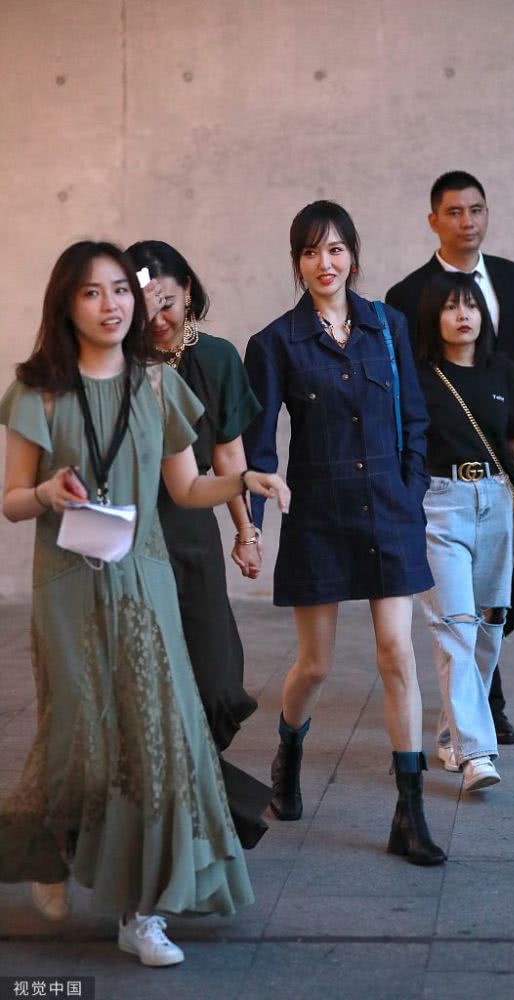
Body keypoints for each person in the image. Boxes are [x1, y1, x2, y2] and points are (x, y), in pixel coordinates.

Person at [0, 241, 289, 967]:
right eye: (93, 292)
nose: (113, 304)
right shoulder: (37, 392)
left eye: (121, 290)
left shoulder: (159, 387)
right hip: (68, 586)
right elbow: (11, 500)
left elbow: (187, 489)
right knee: (77, 734)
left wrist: (243, 483)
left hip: (145, 582)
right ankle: (50, 850)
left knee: (155, 740)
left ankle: (142, 913)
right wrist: (46, 492)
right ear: (66, 305)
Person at [243, 201, 444, 866]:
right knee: (316, 666)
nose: (324, 263)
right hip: (319, 518)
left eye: (335, 249)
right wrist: (252, 530)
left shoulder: (387, 326)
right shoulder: (275, 343)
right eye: (310, 251)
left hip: (389, 509)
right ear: (296, 262)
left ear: (353, 256)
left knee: (397, 654)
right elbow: (259, 449)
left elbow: (415, 420)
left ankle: (409, 813)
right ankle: (289, 748)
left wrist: (409, 492)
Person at [386, 170, 514, 745]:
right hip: (445, 471)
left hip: (510, 455)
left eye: (476, 210)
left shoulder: (513, 278)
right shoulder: (407, 294)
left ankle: (468, 680)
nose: (467, 221)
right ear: (433, 221)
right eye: (454, 211)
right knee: (465, 603)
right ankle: (482, 707)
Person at [125, 240, 270, 849]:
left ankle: (191, 795)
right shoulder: (119, 364)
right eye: (143, 305)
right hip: (132, 534)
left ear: (187, 290)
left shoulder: (216, 358)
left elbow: (228, 455)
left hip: (192, 530)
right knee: (148, 682)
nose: (157, 317)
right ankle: (183, 816)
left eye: (166, 301)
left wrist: (245, 531)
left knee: (216, 681)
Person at [415, 271, 514, 790]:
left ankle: (451, 735)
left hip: (494, 501)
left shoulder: (503, 371)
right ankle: (476, 755)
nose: (462, 315)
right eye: (450, 307)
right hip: (440, 504)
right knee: (457, 626)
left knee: (489, 624)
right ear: (434, 317)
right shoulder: (421, 376)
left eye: (470, 305)